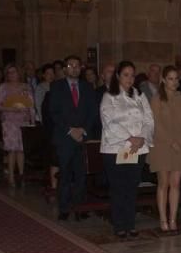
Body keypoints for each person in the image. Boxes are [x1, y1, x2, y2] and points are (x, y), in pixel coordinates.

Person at [100, 61, 154, 238]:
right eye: (125, 75)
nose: (129, 79)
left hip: (137, 148)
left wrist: (141, 138)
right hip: (116, 148)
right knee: (118, 187)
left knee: (131, 187)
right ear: (118, 76)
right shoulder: (110, 96)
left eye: (132, 75)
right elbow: (108, 121)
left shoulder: (139, 95)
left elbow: (149, 119)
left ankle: (130, 224)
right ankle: (119, 225)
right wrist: (129, 138)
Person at [50, 55, 97, 221]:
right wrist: (71, 130)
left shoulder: (87, 87)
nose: (74, 68)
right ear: (65, 69)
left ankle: (79, 207)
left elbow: (93, 111)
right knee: (65, 174)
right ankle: (64, 208)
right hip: (65, 136)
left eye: (77, 65)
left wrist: (83, 129)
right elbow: (54, 112)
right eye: (70, 65)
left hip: (82, 136)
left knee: (81, 174)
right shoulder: (56, 87)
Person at [148, 65, 181, 232]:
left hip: (180, 146)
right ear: (164, 80)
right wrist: (171, 140)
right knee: (163, 183)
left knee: (176, 183)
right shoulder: (156, 99)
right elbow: (156, 124)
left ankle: (173, 219)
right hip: (162, 145)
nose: (174, 82)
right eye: (170, 79)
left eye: (176, 79)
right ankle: (163, 219)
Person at [0, 64, 35, 187]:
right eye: (9, 72)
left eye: (14, 72)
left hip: (23, 120)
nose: (12, 75)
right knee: (12, 150)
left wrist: (32, 121)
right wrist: (10, 108)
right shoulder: (4, 87)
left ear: (19, 73)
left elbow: (31, 105)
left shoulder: (26, 87)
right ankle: (11, 176)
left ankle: (21, 175)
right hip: (9, 121)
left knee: (21, 149)